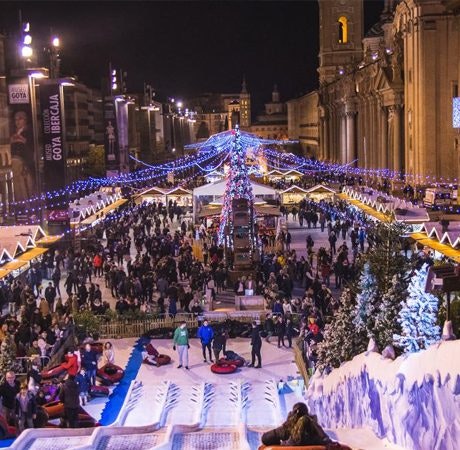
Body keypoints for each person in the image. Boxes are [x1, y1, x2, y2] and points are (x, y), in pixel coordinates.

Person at [261, 402, 333, 447]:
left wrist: (282, 444)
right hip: (297, 440)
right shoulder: (289, 426)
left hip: (295, 441)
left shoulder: (308, 422)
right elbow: (266, 437)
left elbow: (323, 437)